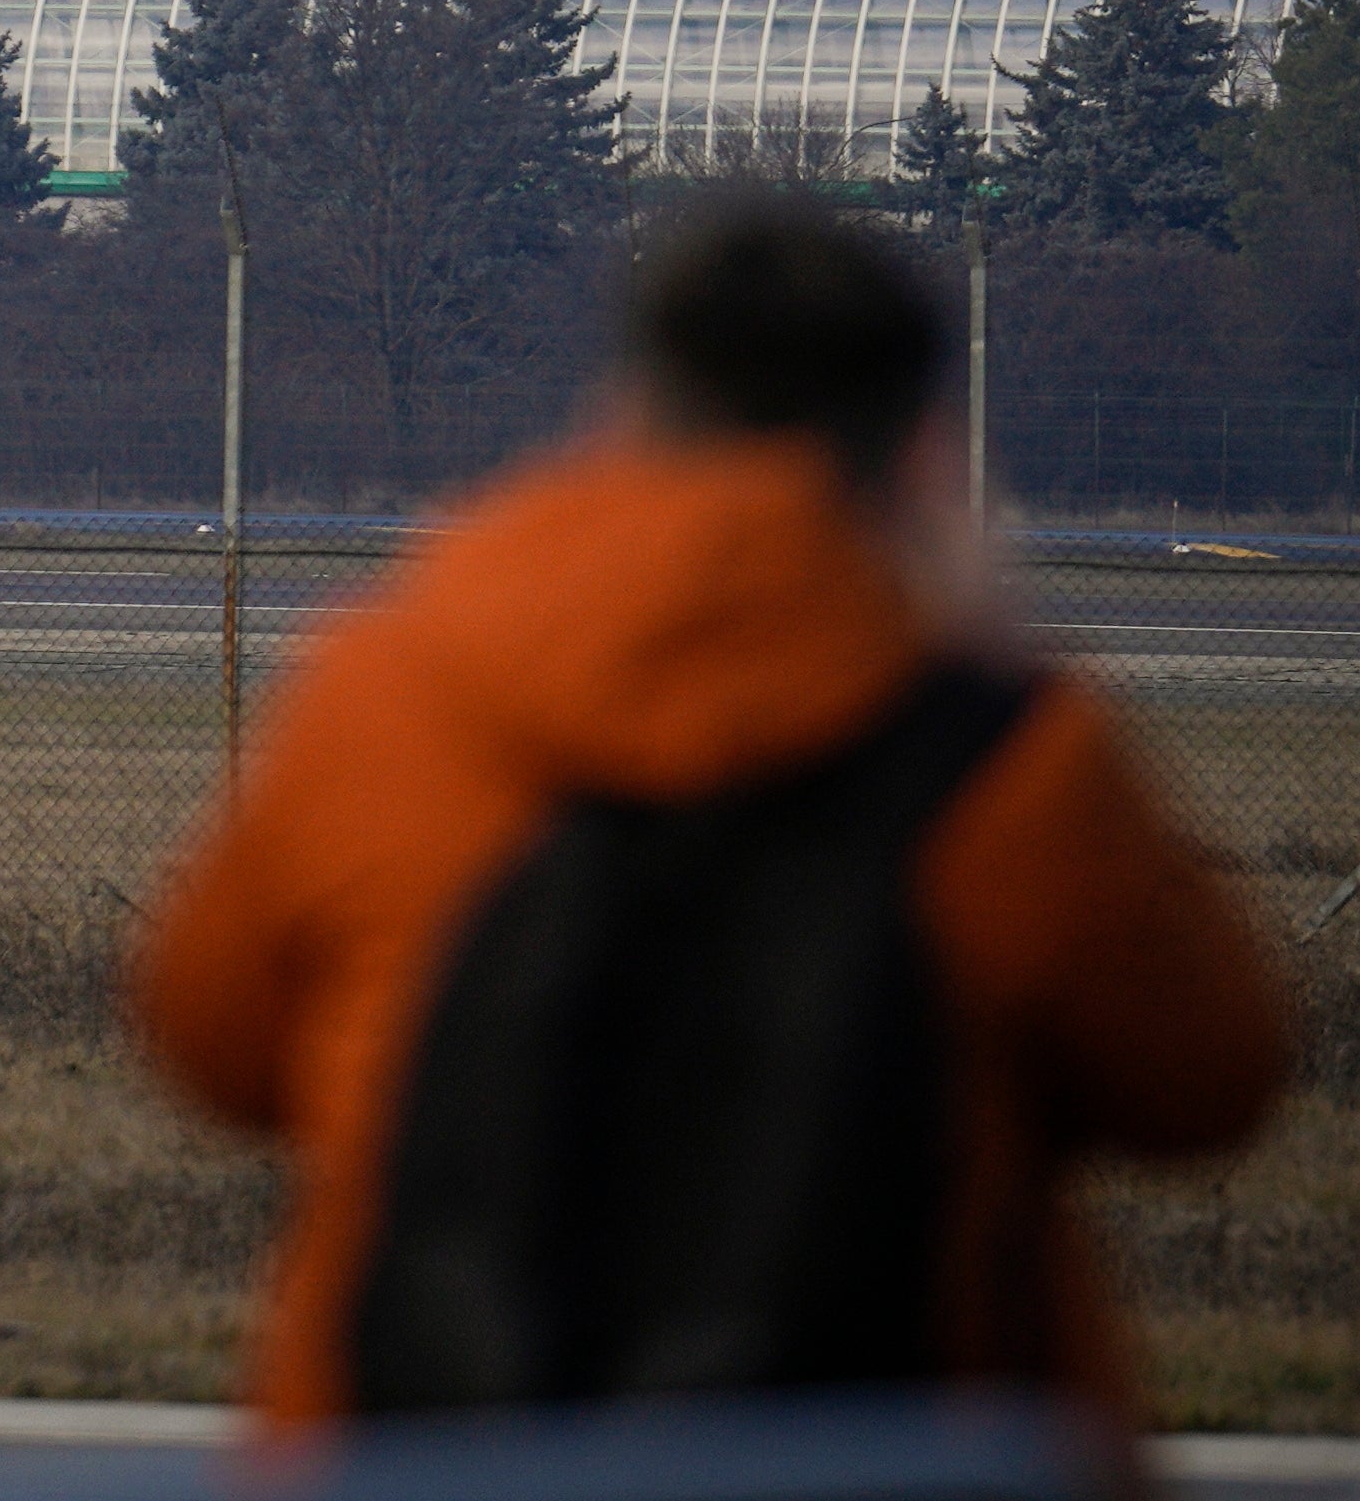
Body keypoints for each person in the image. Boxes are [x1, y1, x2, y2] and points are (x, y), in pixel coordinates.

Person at [134, 197, 1293, 1431]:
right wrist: (1005, 653)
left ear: (623, 412)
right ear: (921, 463)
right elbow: (1215, 1083)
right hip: (893, 1448)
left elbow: (206, 1040)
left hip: (427, 1450)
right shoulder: (1012, 765)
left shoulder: (382, 691)